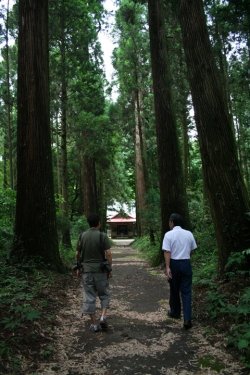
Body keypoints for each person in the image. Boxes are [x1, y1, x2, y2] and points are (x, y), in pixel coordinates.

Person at [76, 213, 112, 333]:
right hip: (100, 270)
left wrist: (79, 268)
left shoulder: (82, 236)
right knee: (104, 294)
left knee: (89, 296)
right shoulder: (102, 236)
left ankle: (94, 324)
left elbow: (77, 254)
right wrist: (110, 268)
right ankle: (103, 317)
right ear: (99, 223)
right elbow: (108, 253)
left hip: (86, 271)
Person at [162, 213, 197, 329]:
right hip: (186, 263)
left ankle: (175, 312)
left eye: (169, 222)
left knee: (174, 288)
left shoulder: (168, 235)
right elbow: (192, 250)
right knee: (186, 292)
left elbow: (167, 251)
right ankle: (187, 319)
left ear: (172, 223)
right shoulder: (189, 234)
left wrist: (168, 267)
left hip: (174, 263)